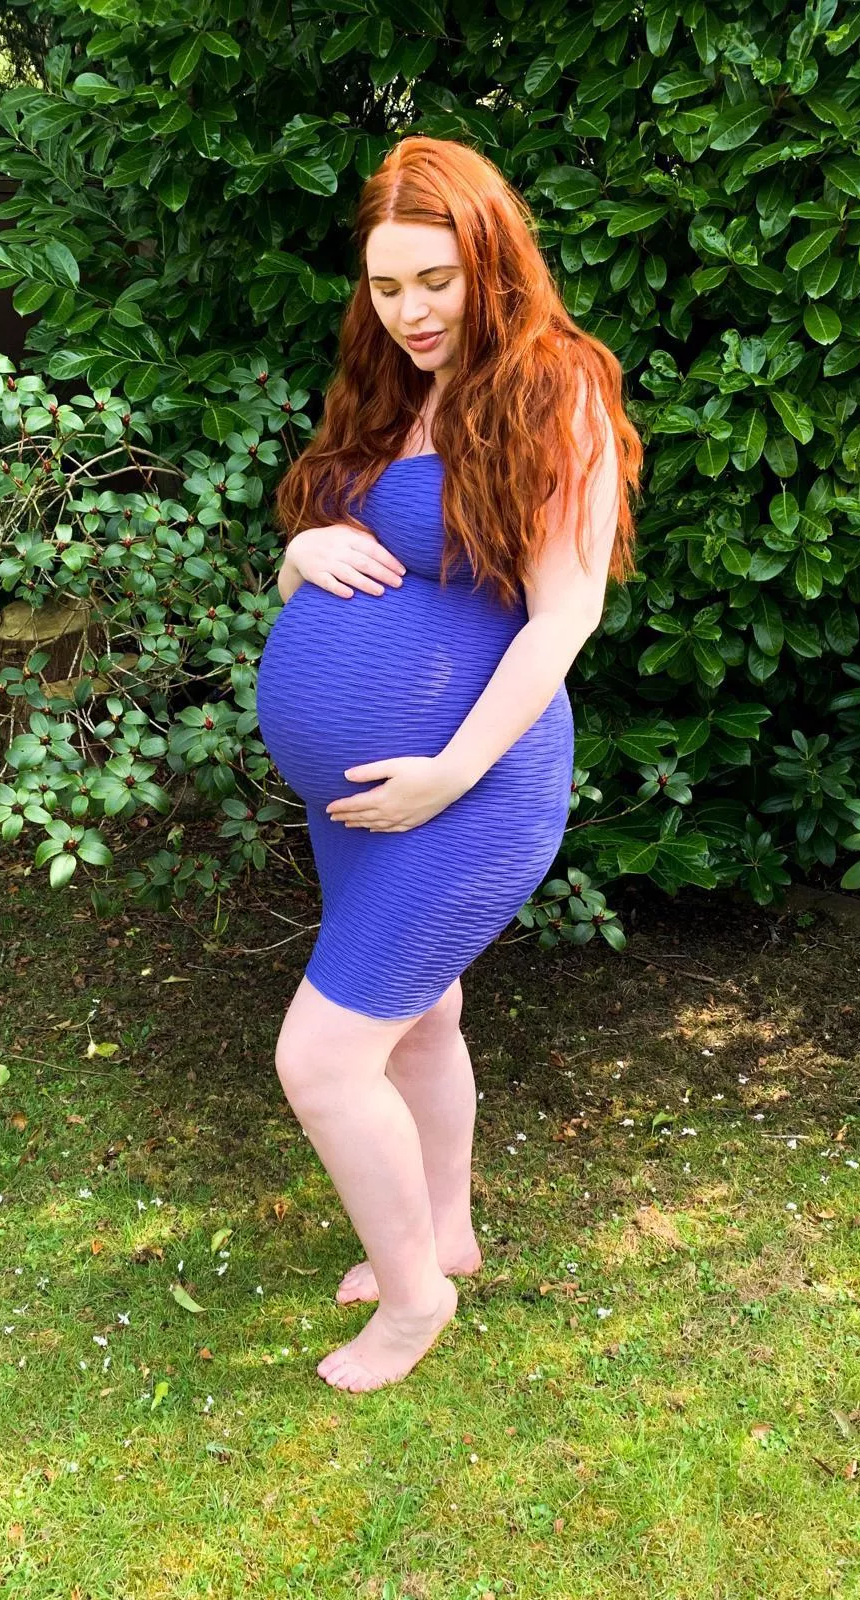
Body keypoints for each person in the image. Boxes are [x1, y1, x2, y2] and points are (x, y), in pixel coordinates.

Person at [254, 134, 643, 1392]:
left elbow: (563, 613)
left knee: (319, 1059)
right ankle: (447, 1228)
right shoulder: (388, 388)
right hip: (361, 802)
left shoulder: (555, 386)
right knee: (421, 1015)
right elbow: (330, 539)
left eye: (435, 280)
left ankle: (412, 1303)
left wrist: (449, 773)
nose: (410, 311)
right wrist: (301, 556)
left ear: (492, 262)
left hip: (469, 790)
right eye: (384, 286)